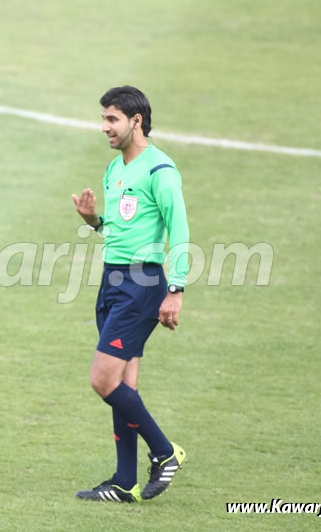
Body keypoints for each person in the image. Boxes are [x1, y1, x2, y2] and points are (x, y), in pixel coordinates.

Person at [72, 86, 190, 503]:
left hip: (143, 286)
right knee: (124, 383)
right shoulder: (114, 169)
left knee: (103, 380)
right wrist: (93, 221)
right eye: (103, 119)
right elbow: (120, 230)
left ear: (136, 121)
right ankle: (125, 481)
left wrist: (175, 290)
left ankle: (164, 450)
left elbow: (180, 231)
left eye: (111, 119)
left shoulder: (160, 170)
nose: (104, 127)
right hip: (113, 281)